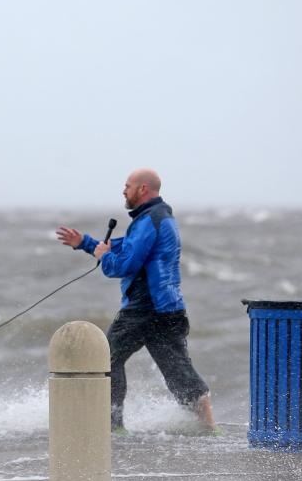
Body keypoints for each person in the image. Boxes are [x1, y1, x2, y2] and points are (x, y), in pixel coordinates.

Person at [56, 169, 217, 433]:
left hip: (144, 308)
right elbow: (127, 247)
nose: (124, 190)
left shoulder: (149, 221)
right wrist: (85, 243)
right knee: (178, 371)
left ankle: (113, 426)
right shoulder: (160, 217)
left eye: (127, 185)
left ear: (143, 189)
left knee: (105, 358)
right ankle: (209, 429)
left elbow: (125, 263)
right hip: (169, 307)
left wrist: (104, 257)